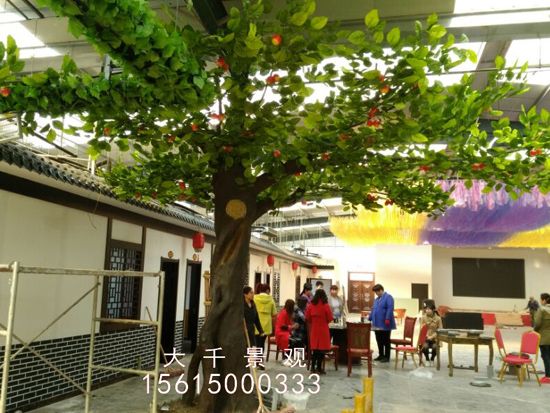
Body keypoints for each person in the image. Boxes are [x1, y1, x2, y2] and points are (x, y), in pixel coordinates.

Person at [306, 289, 333, 374]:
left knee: (315, 350)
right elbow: (330, 318)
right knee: (322, 350)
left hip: (314, 330)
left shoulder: (311, 305)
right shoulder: (326, 306)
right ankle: (319, 368)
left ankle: (312, 368)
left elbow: (307, 317)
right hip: (323, 330)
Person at [368, 284, 396, 362]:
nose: (376, 294)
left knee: (386, 340)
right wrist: (370, 317)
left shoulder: (388, 297)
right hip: (376, 323)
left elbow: (390, 308)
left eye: (377, 292)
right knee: (379, 340)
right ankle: (381, 355)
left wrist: (387, 318)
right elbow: (373, 309)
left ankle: (387, 357)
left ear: (381, 290)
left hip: (385, 323)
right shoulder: (377, 299)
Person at [254, 283, 277, 353]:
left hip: (256, 324)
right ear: (267, 290)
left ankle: (258, 357)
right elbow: (274, 313)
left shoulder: (254, 298)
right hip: (266, 325)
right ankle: (260, 357)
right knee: (262, 343)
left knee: (258, 343)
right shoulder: (271, 299)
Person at [534, 292, 550, 384]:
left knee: (546, 356)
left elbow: (537, 323)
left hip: (544, 338)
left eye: (541, 299)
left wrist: (535, 331)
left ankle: (548, 376)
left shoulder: (542, 310)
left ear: (544, 300)